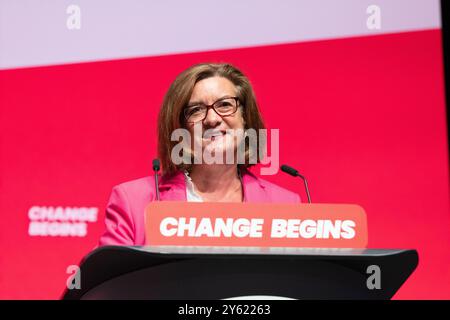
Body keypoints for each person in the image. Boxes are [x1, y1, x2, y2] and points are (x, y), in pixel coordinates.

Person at [98, 63, 300, 246]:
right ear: (180, 127)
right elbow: (107, 283)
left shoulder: (286, 206)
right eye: (196, 110)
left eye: (225, 105)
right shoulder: (134, 202)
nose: (212, 119)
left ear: (245, 118)